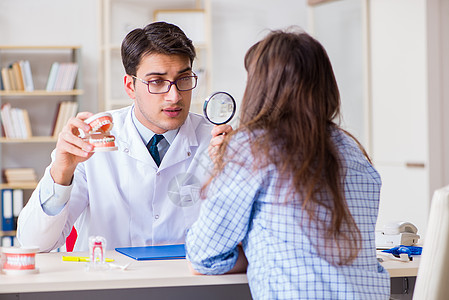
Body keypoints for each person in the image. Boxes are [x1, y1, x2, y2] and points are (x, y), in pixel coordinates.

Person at [185, 28, 390, 299]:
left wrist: (251, 248)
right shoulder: (354, 151)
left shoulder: (252, 147)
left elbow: (203, 256)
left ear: (260, 88)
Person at [17, 22, 230, 252]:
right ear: (130, 86)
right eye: (157, 82)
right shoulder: (92, 137)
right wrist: (61, 172)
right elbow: (33, 244)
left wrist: (235, 172)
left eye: (184, 79)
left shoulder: (217, 141)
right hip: (110, 283)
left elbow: (234, 239)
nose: (174, 96)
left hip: (190, 283)